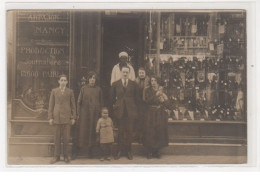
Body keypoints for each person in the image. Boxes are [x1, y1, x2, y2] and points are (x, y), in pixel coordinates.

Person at [110, 65, 139, 160]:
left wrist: (134, 109)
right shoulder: (115, 84)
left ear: (129, 73)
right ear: (121, 73)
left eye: (127, 72)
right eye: (124, 72)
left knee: (129, 131)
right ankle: (119, 150)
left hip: (130, 111)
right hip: (120, 111)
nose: (125, 74)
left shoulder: (134, 84)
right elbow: (111, 98)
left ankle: (129, 150)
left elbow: (136, 98)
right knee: (121, 131)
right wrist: (115, 107)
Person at [48, 74, 76, 164]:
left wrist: (73, 117)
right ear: (58, 81)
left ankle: (66, 156)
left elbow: (73, 106)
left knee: (66, 138)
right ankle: (56, 156)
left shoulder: (70, 92)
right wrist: (50, 117)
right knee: (57, 138)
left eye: (65, 80)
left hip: (67, 118)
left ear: (67, 82)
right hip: (57, 118)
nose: (63, 82)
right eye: (61, 80)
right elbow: (51, 105)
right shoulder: (54, 91)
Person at [76, 71, 103, 158]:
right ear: (88, 79)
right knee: (85, 130)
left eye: (94, 78)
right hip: (85, 113)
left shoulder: (98, 89)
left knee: (93, 130)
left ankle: (92, 150)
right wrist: (78, 113)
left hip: (95, 113)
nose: (92, 80)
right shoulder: (83, 88)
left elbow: (101, 102)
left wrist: (100, 113)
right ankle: (83, 150)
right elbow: (79, 102)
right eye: (91, 78)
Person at [143, 76, 170, 159]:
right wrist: (156, 94)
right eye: (152, 80)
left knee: (159, 131)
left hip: (159, 113)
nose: (153, 82)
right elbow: (147, 101)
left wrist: (164, 100)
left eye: (155, 80)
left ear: (158, 82)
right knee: (150, 131)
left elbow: (167, 103)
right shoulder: (147, 90)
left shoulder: (162, 90)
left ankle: (157, 151)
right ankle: (149, 152)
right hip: (150, 112)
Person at [134, 67, 149, 143]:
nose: (141, 74)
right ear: (138, 74)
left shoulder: (148, 81)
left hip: (146, 103)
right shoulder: (135, 81)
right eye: (140, 73)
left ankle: (145, 138)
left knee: (145, 120)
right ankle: (138, 137)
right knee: (138, 120)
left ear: (145, 73)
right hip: (138, 103)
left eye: (143, 73)